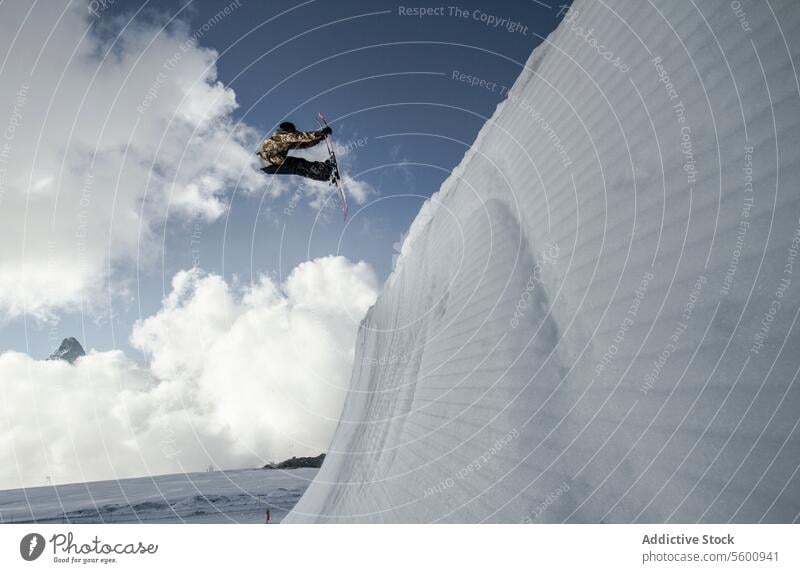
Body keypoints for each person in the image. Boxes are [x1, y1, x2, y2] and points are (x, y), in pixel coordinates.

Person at [257, 121, 334, 182]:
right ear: (288, 129)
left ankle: (324, 175)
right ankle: (326, 171)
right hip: (270, 161)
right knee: (299, 164)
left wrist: (318, 139)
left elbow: (302, 144)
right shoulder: (281, 136)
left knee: (298, 168)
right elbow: (299, 137)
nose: (294, 132)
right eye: (293, 131)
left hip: (269, 164)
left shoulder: (282, 141)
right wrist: (319, 133)